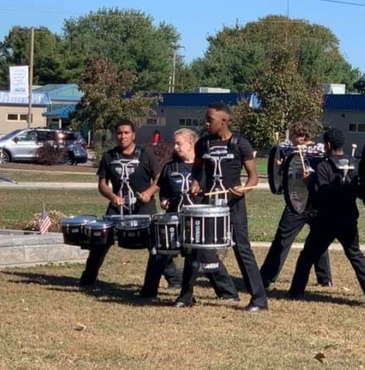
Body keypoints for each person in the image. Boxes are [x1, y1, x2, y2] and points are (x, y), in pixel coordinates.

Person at [180, 102, 267, 313]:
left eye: (210, 120)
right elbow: (197, 172)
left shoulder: (240, 144)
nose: (206, 123)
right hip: (208, 204)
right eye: (206, 119)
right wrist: (195, 183)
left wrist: (245, 189)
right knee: (196, 246)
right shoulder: (203, 144)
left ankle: (259, 299)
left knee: (242, 249)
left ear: (224, 121)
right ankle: (185, 296)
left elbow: (253, 177)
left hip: (233, 205)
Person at [79, 119, 181, 293]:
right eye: (119, 133)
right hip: (118, 205)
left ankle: (174, 279)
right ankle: (88, 278)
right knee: (101, 240)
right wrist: (112, 196)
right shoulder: (109, 156)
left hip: (143, 205)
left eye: (126, 133)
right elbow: (102, 184)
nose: (122, 136)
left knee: (154, 242)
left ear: (133, 134)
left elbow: (159, 179)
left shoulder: (146, 154)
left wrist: (149, 192)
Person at [147, 128, 239, 302]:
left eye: (179, 143)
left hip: (199, 220)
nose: (175, 147)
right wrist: (164, 198)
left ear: (192, 144)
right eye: (174, 143)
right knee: (160, 252)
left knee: (206, 255)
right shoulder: (170, 167)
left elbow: (216, 190)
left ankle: (228, 293)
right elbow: (163, 189)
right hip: (175, 216)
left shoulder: (205, 168)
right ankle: (149, 290)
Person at [288, 128, 365, 300]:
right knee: (354, 253)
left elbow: (319, 195)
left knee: (307, 255)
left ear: (328, 145)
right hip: (349, 217)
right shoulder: (355, 163)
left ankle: (296, 292)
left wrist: (309, 182)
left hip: (327, 219)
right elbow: (363, 191)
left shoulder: (324, 166)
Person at [260, 120, 333, 289]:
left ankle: (267, 276)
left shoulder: (309, 152)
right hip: (309, 200)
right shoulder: (308, 151)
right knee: (313, 239)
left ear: (301, 137)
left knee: (286, 238)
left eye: (293, 135)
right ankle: (324, 278)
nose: (291, 139)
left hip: (302, 201)